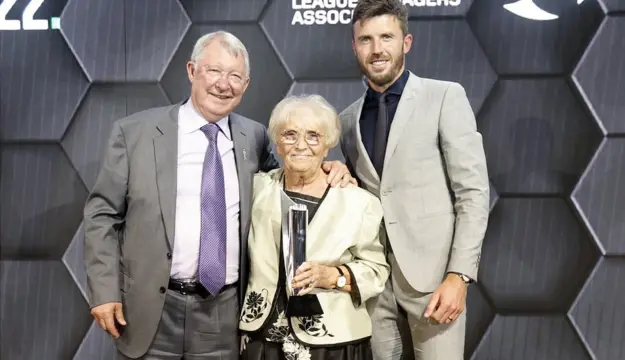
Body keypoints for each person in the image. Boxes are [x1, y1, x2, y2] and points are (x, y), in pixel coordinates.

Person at [83, 31, 353, 360]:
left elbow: (290, 176)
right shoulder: (134, 133)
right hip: (149, 308)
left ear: (247, 84)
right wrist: (103, 291)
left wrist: (328, 167)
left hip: (223, 310)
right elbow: (102, 215)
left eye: (235, 76)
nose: (223, 84)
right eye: (213, 71)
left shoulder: (253, 136)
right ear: (191, 70)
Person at [339, 0, 491, 359]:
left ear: (406, 42)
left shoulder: (444, 97)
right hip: (374, 287)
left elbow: (472, 193)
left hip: (435, 282)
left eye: (387, 37)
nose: (377, 50)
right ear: (354, 46)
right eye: (366, 40)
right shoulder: (347, 120)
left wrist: (459, 276)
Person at [238, 94, 390, 360]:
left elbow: (376, 271)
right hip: (262, 337)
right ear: (277, 142)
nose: (300, 145)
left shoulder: (358, 202)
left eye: (313, 136)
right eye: (290, 135)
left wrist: (334, 276)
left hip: (332, 343)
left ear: (328, 143)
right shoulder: (255, 188)